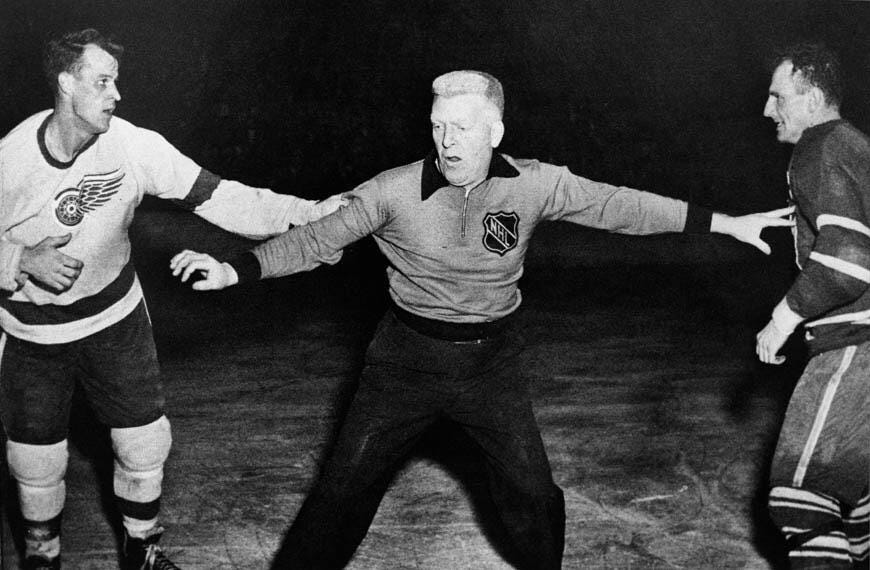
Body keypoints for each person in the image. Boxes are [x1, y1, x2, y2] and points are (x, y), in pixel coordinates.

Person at [172, 69, 794, 569]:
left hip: (490, 366)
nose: (447, 141)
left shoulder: (534, 185)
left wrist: (724, 222)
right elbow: (315, 239)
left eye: (463, 128)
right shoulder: (391, 191)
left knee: (532, 494)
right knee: (340, 494)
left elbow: (617, 205)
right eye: (439, 125)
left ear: (495, 130)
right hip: (403, 365)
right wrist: (236, 271)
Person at [0, 29, 345, 570]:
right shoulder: (11, 160)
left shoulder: (133, 145)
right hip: (34, 335)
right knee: (35, 464)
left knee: (144, 444)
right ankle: (42, 558)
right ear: (67, 83)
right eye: (103, 81)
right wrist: (18, 262)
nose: (117, 95)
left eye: (117, 81)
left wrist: (310, 211)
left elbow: (223, 198)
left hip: (115, 321)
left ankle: (144, 550)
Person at [756, 42, 869, 569]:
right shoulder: (856, 146)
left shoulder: (819, 146)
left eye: (779, 96)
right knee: (859, 504)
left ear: (812, 94)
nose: (767, 109)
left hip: (855, 348)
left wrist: (781, 320)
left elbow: (847, 261)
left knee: (798, 497)